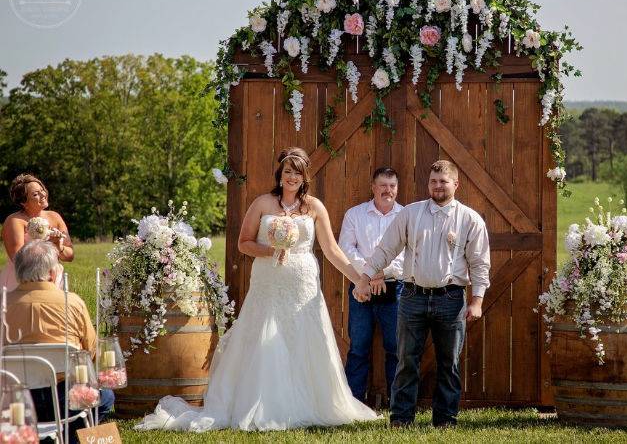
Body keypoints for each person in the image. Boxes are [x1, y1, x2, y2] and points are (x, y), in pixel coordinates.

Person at [137, 147, 380, 432]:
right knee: (265, 335)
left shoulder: (314, 207)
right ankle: (264, 404)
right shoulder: (263, 202)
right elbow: (243, 243)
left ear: (305, 176)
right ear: (280, 174)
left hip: (303, 285)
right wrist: (269, 250)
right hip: (268, 283)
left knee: (304, 338)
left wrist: (359, 277)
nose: (291, 177)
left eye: (297, 172)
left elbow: (332, 251)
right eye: (287, 171)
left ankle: (310, 403)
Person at [358, 160, 491, 428]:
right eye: (433, 181)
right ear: (428, 183)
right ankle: (401, 419)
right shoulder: (410, 213)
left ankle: (445, 420)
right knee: (406, 361)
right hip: (412, 297)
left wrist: (477, 301)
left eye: (443, 181)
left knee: (448, 363)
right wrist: (364, 277)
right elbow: (386, 249)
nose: (438, 186)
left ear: (456, 184)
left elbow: (480, 263)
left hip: (451, 299)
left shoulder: (470, 219)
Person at [5, 240, 113, 444]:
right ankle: (69, 437)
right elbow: (91, 352)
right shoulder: (72, 302)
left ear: (18, 273)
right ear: (52, 274)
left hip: (16, 403)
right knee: (105, 398)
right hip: (66, 400)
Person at [338, 167, 404, 404]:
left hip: (394, 288)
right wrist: (368, 276)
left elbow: (408, 253)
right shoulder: (355, 215)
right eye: (383, 185)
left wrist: (381, 272)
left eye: (392, 186)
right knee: (359, 347)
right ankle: (353, 402)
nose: (388, 190)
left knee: (396, 348)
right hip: (361, 288)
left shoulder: (406, 215)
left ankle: (397, 403)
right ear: (373, 187)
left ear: (397, 188)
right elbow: (346, 248)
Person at [1, 174, 73, 292]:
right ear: (24, 202)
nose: (43, 195)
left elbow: (70, 256)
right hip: (22, 281)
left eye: (42, 190)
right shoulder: (14, 221)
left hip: (54, 278)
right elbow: (17, 259)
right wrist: (43, 244)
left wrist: (58, 247)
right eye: (35, 194)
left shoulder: (55, 217)